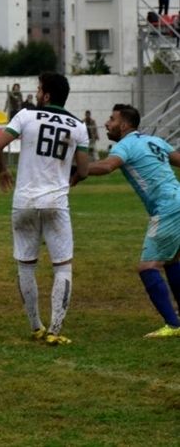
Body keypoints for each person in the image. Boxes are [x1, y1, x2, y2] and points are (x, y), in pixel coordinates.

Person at [0, 73, 90, 345]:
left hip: (23, 201)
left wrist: (2, 171)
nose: (36, 93)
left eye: (38, 89)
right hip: (56, 202)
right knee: (62, 267)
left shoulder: (26, 115)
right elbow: (83, 169)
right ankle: (55, 330)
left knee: (25, 266)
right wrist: (70, 181)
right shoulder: (79, 126)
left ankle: (36, 326)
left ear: (46, 95)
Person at [72, 104, 180, 338]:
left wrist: (79, 170)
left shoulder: (126, 145)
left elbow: (107, 166)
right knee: (172, 260)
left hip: (167, 207)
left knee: (147, 267)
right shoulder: (154, 140)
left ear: (123, 125)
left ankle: (173, 325)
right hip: (178, 199)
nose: (107, 123)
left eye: (111, 119)